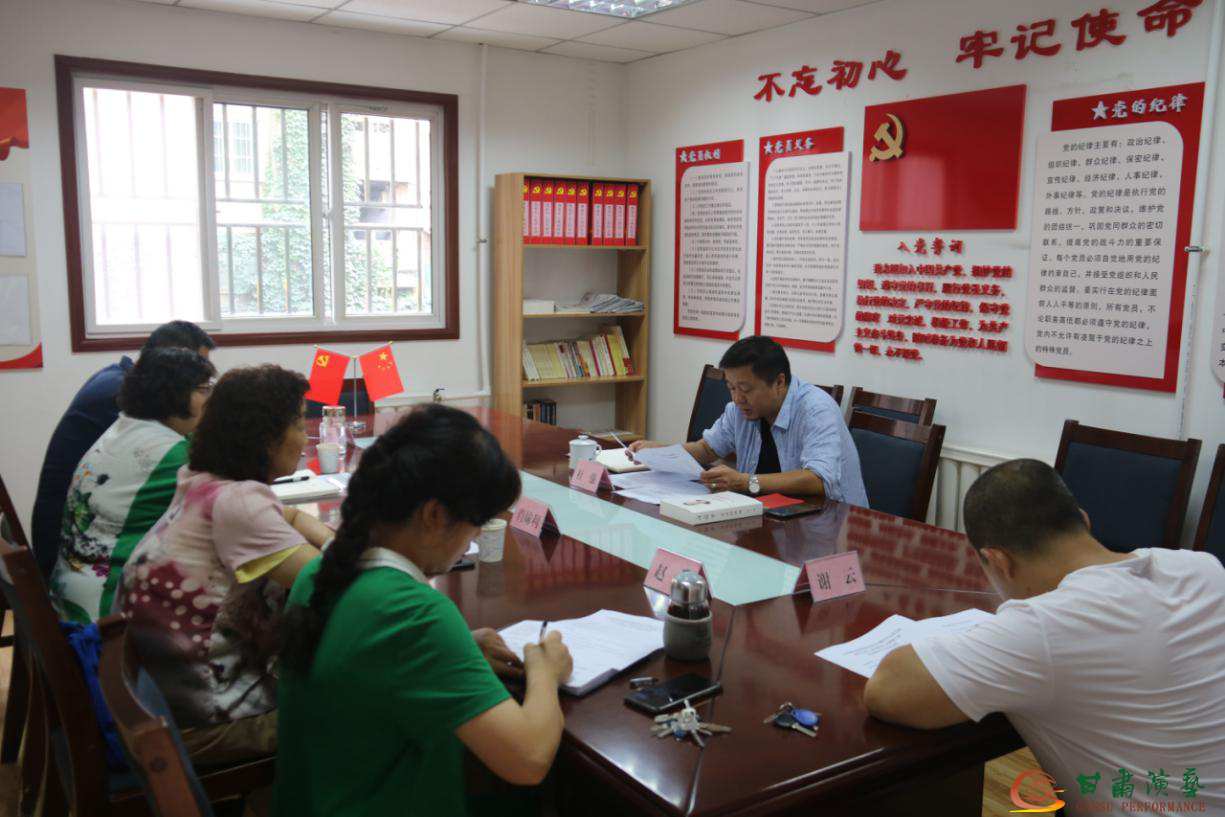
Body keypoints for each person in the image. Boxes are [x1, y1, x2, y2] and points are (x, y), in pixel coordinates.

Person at [863, 459, 1225, 812]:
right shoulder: (1202, 568)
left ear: (999, 561)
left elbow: (887, 690)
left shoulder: (1044, 628)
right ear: (1084, 521)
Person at [274, 404, 574, 817]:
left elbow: (367, 662)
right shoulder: (413, 613)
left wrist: (457, 649)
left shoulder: (319, 572)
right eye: (476, 522)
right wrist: (545, 672)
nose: (473, 536)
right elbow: (529, 759)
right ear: (435, 514)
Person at [117, 364, 332, 764]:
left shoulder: (202, 481)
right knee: (372, 709)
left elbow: (291, 517)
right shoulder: (239, 504)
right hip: (206, 721)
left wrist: (328, 539)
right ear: (265, 437)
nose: (305, 438)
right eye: (299, 424)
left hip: (161, 698)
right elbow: (335, 585)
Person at [32, 320, 215, 578]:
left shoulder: (119, 390)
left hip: (79, 549)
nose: (208, 393)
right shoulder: (123, 403)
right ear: (171, 371)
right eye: (201, 383)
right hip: (70, 552)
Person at [50, 347, 216, 623]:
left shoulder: (124, 428)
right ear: (172, 393)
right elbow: (233, 506)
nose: (209, 399)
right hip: (108, 614)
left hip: (69, 596)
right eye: (203, 389)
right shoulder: (173, 456)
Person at [630, 335, 867, 506]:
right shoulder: (739, 410)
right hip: (765, 512)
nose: (737, 398)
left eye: (745, 389)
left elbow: (818, 480)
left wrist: (746, 482)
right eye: (731, 388)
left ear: (779, 382)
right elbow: (707, 449)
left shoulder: (816, 410)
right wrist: (660, 452)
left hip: (826, 522)